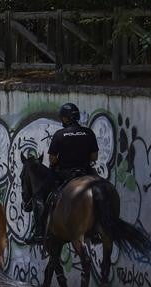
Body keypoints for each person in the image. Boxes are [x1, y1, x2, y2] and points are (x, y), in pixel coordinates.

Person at [27, 102, 100, 244]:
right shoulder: (88, 132)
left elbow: (53, 159)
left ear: (66, 119)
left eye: (62, 118)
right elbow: (94, 157)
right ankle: (97, 230)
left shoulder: (60, 135)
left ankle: (39, 232)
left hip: (65, 174)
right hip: (86, 172)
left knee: (39, 196)